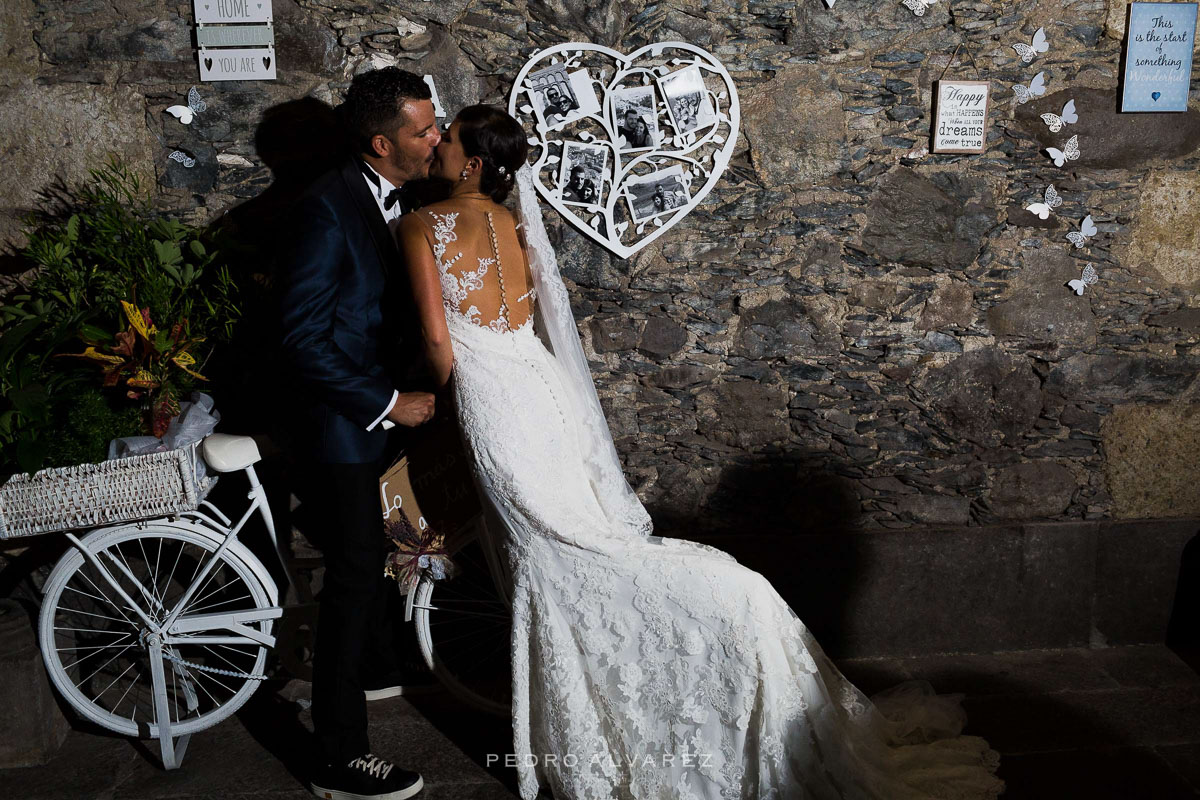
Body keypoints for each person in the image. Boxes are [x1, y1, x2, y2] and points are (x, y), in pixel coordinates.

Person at [397, 105, 1004, 800]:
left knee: (557, 553)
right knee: (577, 538)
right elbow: (528, 317)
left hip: (495, 402)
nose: (436, 146)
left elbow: (441, 345)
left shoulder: (420, 226)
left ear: (471, 161)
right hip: (541, 390)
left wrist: (444, 400)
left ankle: (674, 652)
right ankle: (633, 684)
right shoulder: (511, 223)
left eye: (446, 140)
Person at [277, 67, 440, 800]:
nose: (436, 138)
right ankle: (340, 761)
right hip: (339, 427)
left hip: (377, 421)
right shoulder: (322, 209)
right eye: (423, 130)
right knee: (352, 573)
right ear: (382, 142)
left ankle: (375, 673)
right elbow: (303, 340)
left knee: (380, 554)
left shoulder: (393, 196)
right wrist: (385, 401)